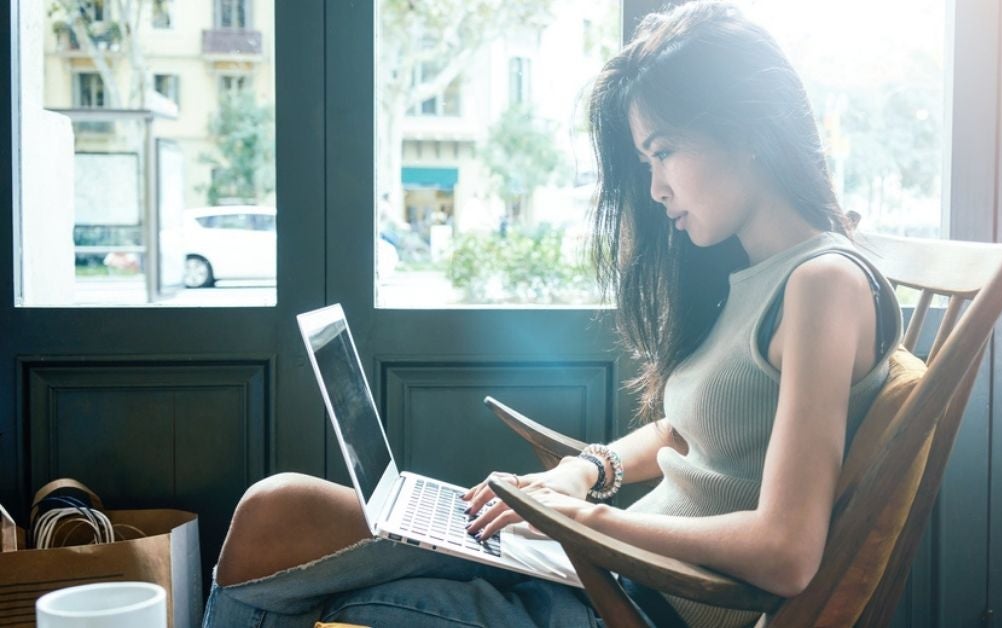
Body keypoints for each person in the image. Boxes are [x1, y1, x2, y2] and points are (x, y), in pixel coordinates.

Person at [202, 2, 901, 626]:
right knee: (276, 509)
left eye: (664, 153)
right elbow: (693, 432)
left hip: (625, 599)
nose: (655, 187)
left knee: (303, 593)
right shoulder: (753, 273)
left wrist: (582, 523)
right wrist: (584, 473)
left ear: (747, 128)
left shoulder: (824, 285)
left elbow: (786, 553)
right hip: (591, 569)